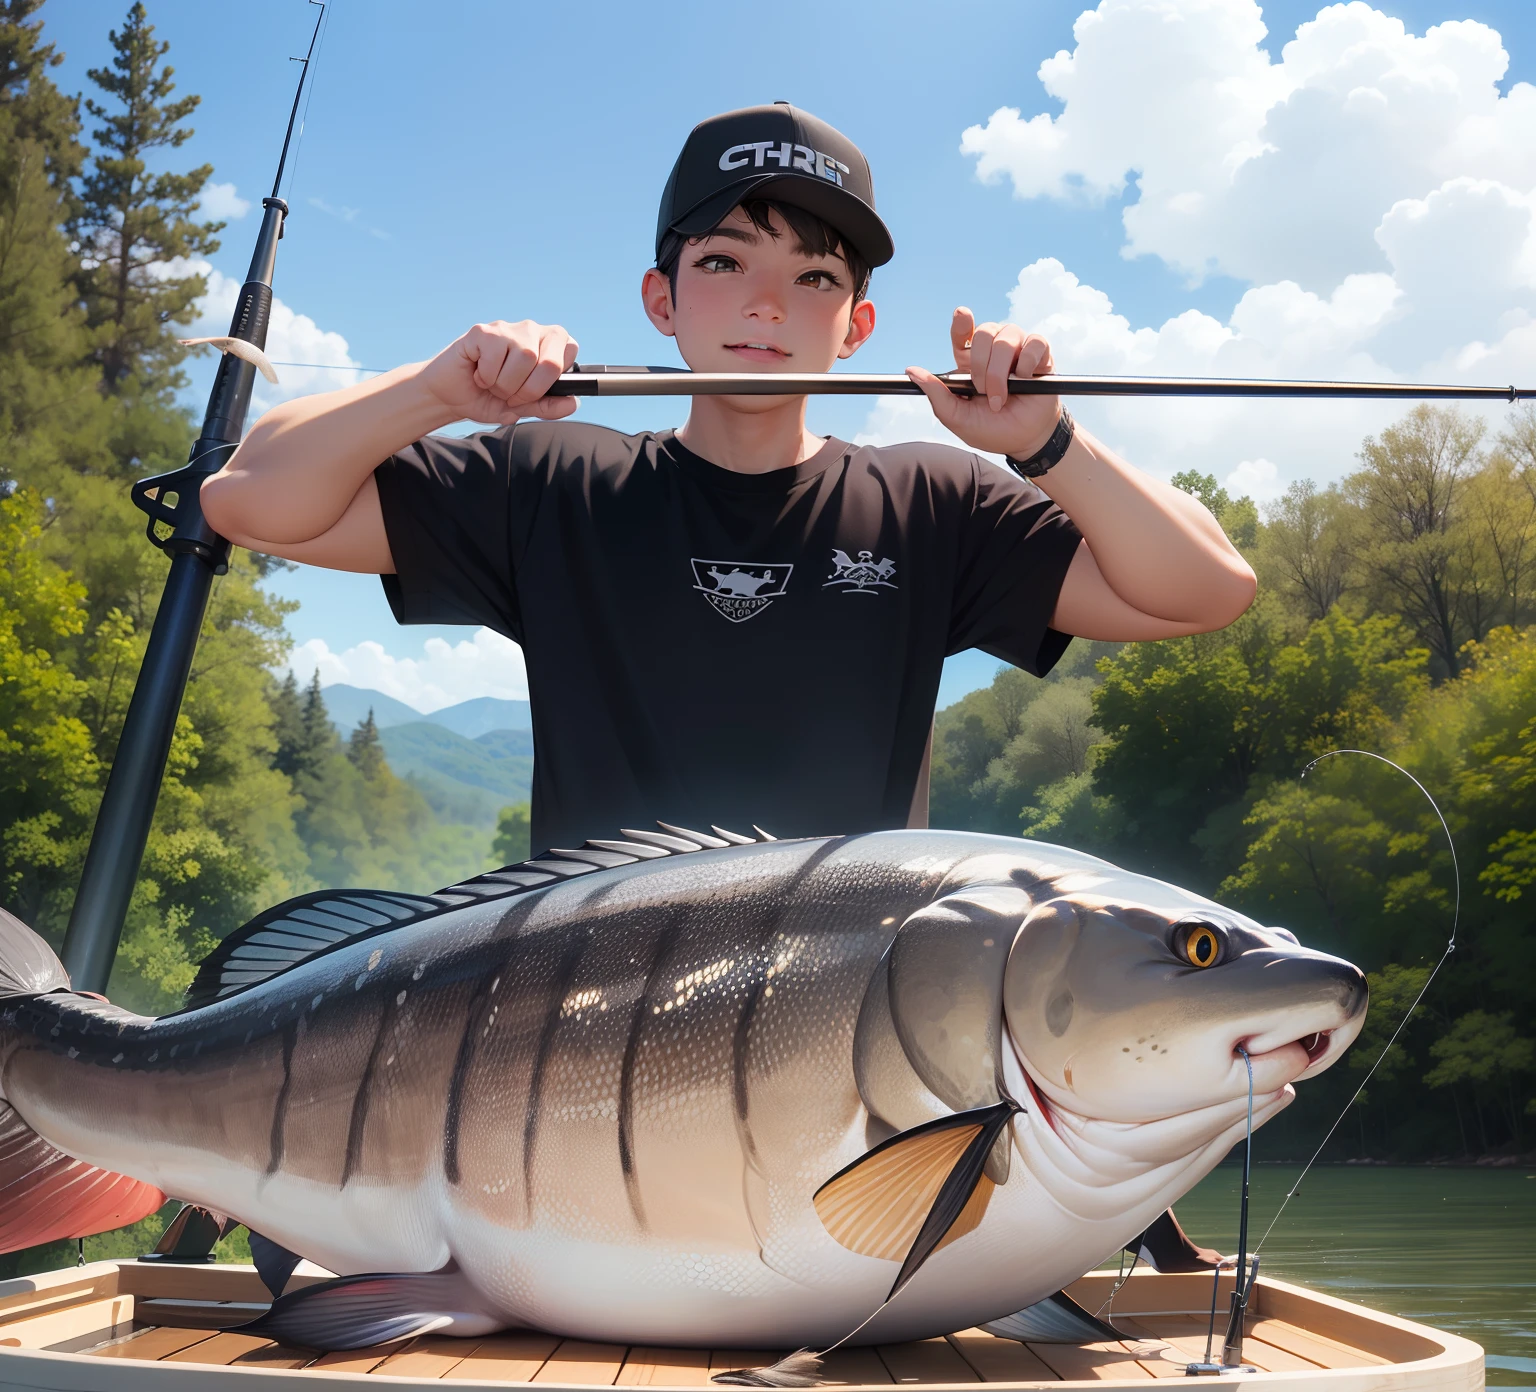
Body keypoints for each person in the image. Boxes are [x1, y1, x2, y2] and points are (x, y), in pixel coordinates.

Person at [203, 103, 1255, 854]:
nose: (767, 306)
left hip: (843, 1040)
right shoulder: (557, 480)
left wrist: (1046, 441)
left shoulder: (935, 506)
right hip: (580, 1028)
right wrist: (439, 391)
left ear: (857, 327)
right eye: (724, 263)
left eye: (812, 278)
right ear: (662, 300)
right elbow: (249, 498)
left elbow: (1208, 589)